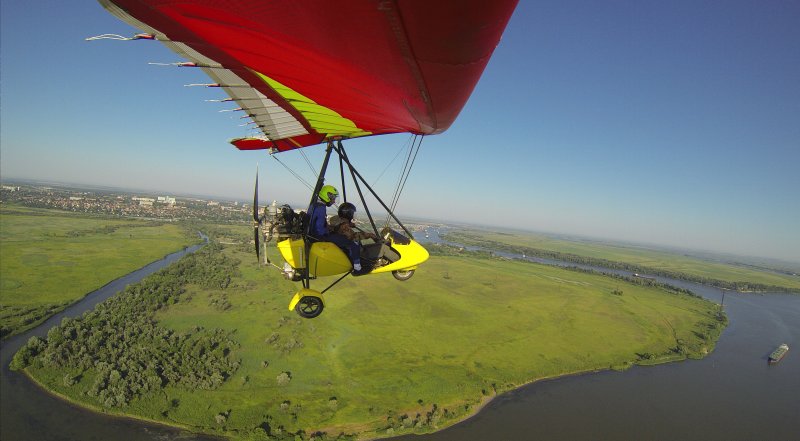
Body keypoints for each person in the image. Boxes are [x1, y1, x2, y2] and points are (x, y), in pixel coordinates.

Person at [307, 186, 368, 275]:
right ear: (328, 196)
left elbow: (318, 224)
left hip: (314, 234)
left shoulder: (315, 205)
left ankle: (351, 257)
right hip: (320, 237)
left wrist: (331, 228)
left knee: (341, 236)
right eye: (333, 199)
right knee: (353, 242)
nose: (334, 201)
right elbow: (320, 229)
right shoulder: (321, 208)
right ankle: (357, 269)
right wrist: (328, 233)